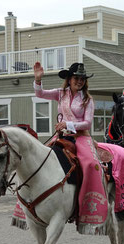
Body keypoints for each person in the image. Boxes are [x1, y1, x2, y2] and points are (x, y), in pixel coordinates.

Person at [33, 61, 109, 220]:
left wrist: (67, 124)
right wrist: (38, 80)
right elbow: (40, 94)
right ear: (69, 78)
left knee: (90, 164)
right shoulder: (60, 93)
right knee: (40, 159)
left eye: (82, 78)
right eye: (76, 78)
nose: (79, 81)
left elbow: (87, 123)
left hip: (80, 137)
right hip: (61, 136)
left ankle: (89, 202)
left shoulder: (87, 99)